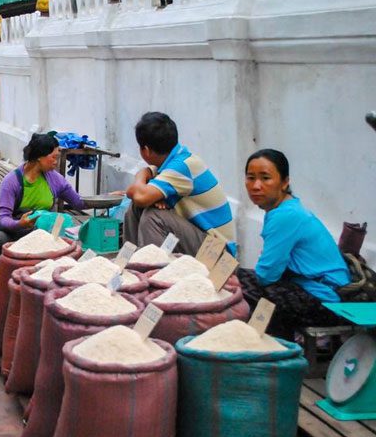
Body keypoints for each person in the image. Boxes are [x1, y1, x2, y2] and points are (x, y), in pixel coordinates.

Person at [237, 149, 351, 339]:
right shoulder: (283, 208)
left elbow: (266, 275)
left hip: (327, 300)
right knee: (240, 279)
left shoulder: (285, 215)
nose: (256, 186)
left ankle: (275, 349)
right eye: (251, 178)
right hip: (312, 289)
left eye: (265, 178)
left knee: (244, 288)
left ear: (284, 182)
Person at [123, 111, 236, 256]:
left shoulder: (182, 167)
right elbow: (139, 196)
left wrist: (142, 174)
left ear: (145, 150)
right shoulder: (175, 160)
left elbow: (139, 195)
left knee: (154, 217)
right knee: (136, 207)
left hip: (219, 253)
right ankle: (132, 262)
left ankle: (150, 270)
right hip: (203, 241)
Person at [0, 133, 84, 264]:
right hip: (16, 234)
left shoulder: (55, 179)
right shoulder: (12, 181)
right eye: (53, 157)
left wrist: (107, 197)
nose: (56, 162)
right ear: (39, 157)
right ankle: (0, 272)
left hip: (42, 235)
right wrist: (19, 224)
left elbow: (79, 202)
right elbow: (3, 219)